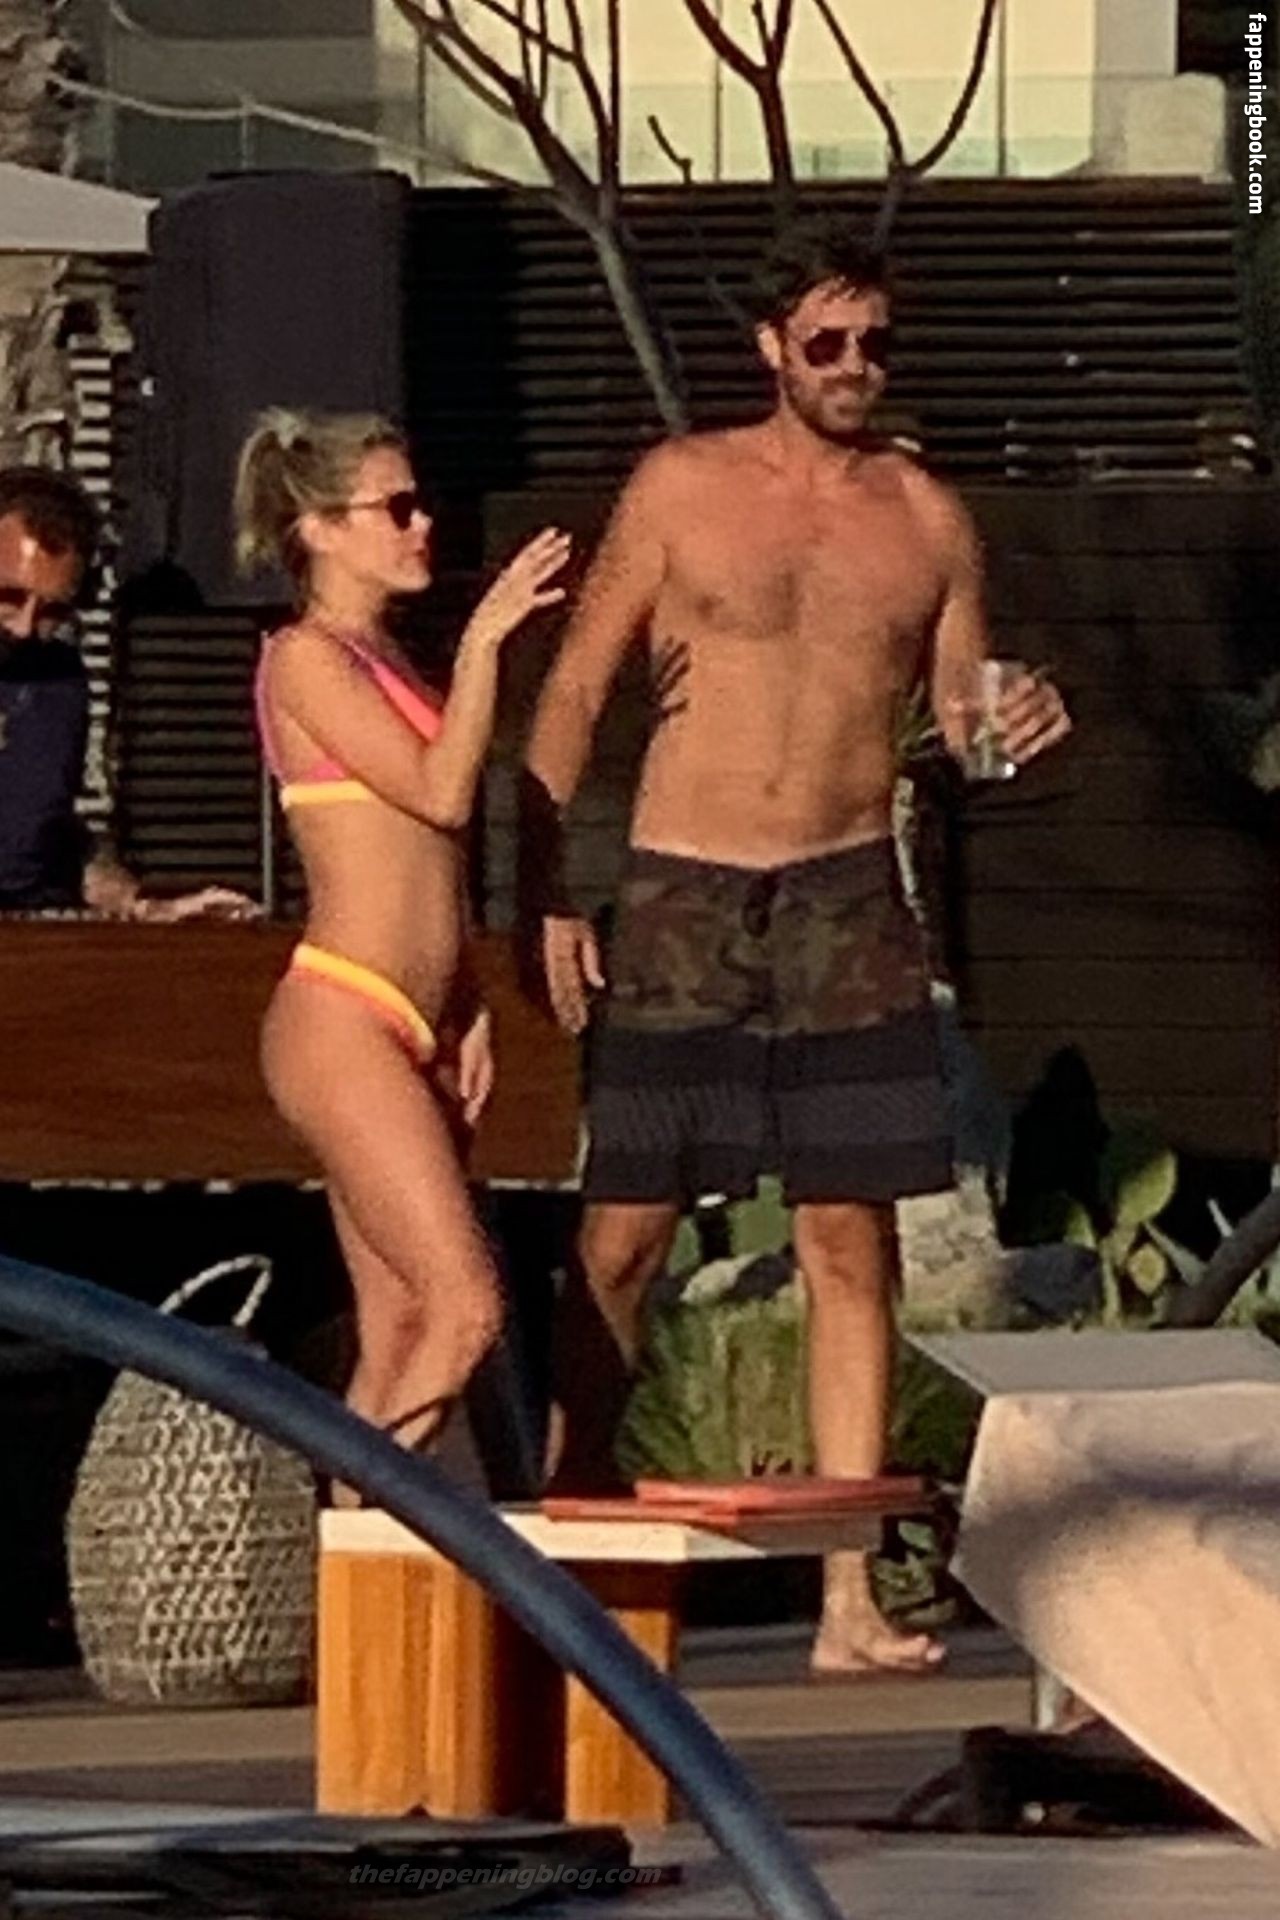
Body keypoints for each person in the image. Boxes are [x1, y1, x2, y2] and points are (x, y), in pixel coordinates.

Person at [520, 220, 1070, 1675]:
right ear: (771, 347)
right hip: (685, 888)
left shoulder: (927, 519)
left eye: (874, 343)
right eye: (826, 342)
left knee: (847, 1238)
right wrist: (551, 889)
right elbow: (573, 691)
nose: (853, 366)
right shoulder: (680, 488)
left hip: (844, 893)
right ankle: (573, 1553)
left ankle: (846, 1598)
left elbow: (958, 728)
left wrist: (1017, 725)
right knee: (624, 1234)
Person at [239, 407, 570, 1482]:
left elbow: (430, 864)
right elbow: (438, 792)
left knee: (397, 1333)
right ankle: (355, 1520)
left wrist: (466, 999)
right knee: (466, 1309)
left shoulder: (385, 657)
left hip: (415, 1021)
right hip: (343, 1016)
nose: (422, 526)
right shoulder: (303, 659)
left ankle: (353, 1566)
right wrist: (484, 644)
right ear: (320, 528)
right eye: (397, 507)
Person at [0, 465, 251, 919]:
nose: (25, 627)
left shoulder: (58, 680)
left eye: (53, 610)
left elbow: (46, 840)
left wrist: (142, 906)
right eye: (8, 597)